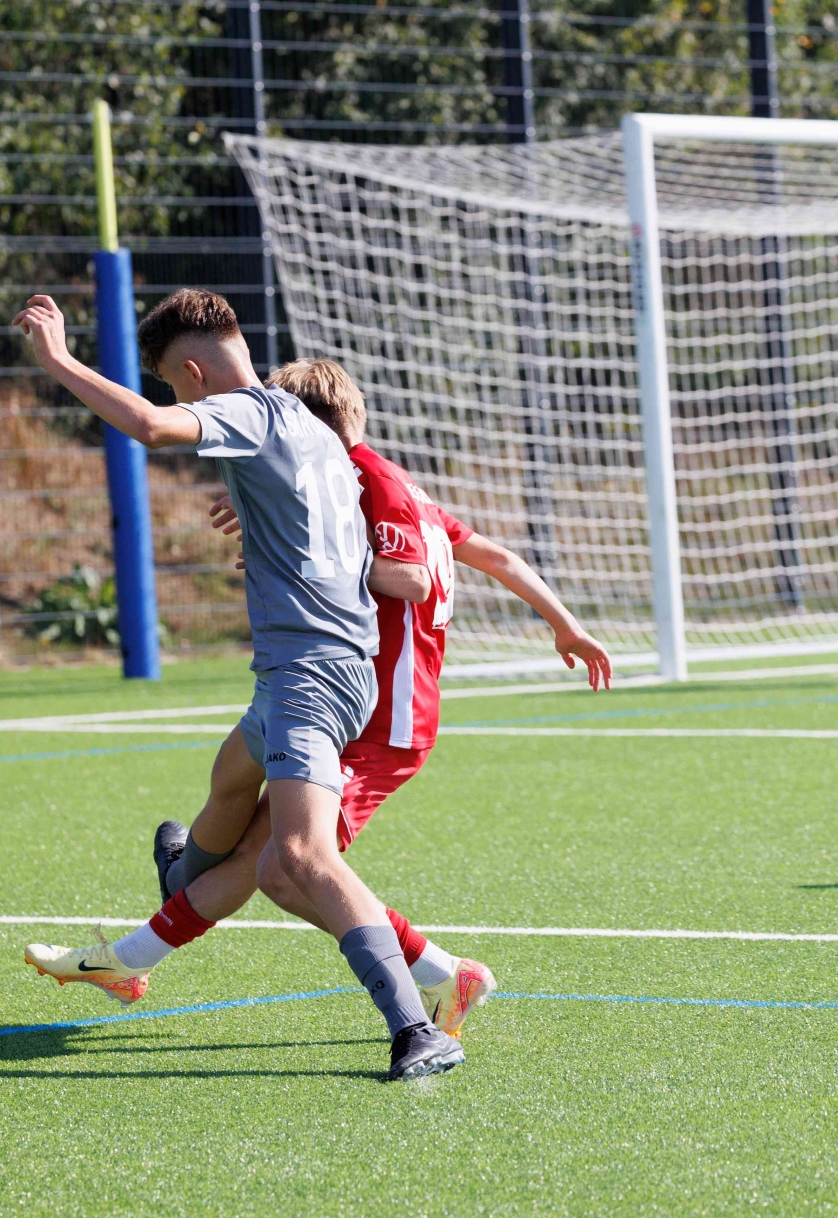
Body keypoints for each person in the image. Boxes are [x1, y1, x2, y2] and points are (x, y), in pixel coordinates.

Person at [12, 287, 462, 1082]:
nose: (182, 401)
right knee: (229, 778)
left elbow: (150, 427)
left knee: (299, 857)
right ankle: (180, 877)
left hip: (310, 676)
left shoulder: (251, 413)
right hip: (316, 668)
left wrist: (59, 361)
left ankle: (415, 1028)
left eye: (176, 384)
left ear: (192, 372)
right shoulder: (314, 432)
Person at [135, 356, 614, 1037]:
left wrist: (307, 556)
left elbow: (411, 579)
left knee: (285, 869)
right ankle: (151, 924)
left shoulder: (370, 481)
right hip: (357, 706)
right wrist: (565, 624)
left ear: (308, 427)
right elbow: (498, 557)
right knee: (262, 844)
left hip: (386, 719)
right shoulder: (382, 483)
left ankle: (441, 976)